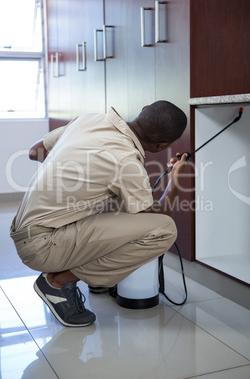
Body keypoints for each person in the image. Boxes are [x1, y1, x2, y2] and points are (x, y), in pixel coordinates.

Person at [10, 100, 188, 327]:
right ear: (161, 145)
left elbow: (35, 151)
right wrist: (174, 179)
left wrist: (72, 169)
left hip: (26, 230)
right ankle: (57, 282)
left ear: (142, 109)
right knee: (164, 230)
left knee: (118, 197)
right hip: (42, 247)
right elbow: (161, 217)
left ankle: (92, 277)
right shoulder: (127, 161)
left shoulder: (90, 119)